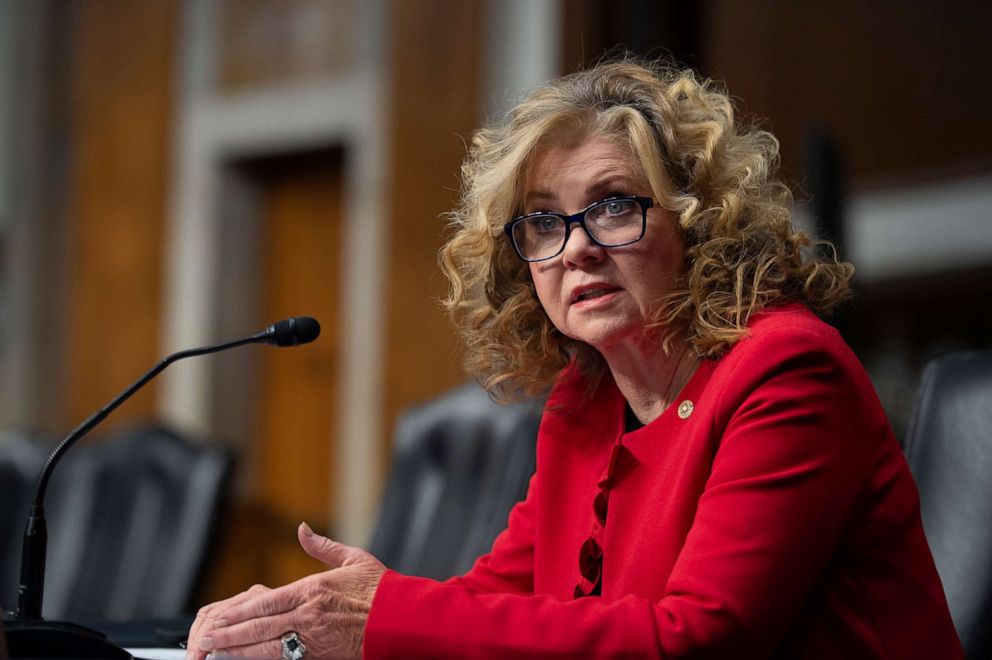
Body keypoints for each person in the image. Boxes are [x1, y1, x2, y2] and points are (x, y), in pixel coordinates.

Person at [186, 58, 962, 659]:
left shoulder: (788, 372)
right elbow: (502, 596)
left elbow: (697, 643)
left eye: (615, 205)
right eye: (544, 222)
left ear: (698, 223)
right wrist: (324, 624)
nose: (578, 247)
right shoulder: (586, 401)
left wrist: (381, 618)